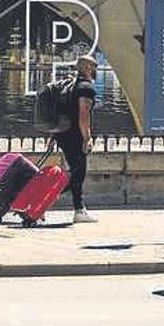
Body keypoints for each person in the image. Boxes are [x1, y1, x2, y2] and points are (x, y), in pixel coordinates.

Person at [53, 54, 99, 224]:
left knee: (75, 173)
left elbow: (61, 112)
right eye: (95, 67)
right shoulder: (86, 88)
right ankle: (73, 207)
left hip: (63, 135)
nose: (96, 71)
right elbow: (83, 115)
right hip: (75, 137)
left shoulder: (69, 85)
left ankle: (77, 208)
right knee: (78, 174)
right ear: (87, 68)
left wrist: (54, 135)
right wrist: (87, 138)